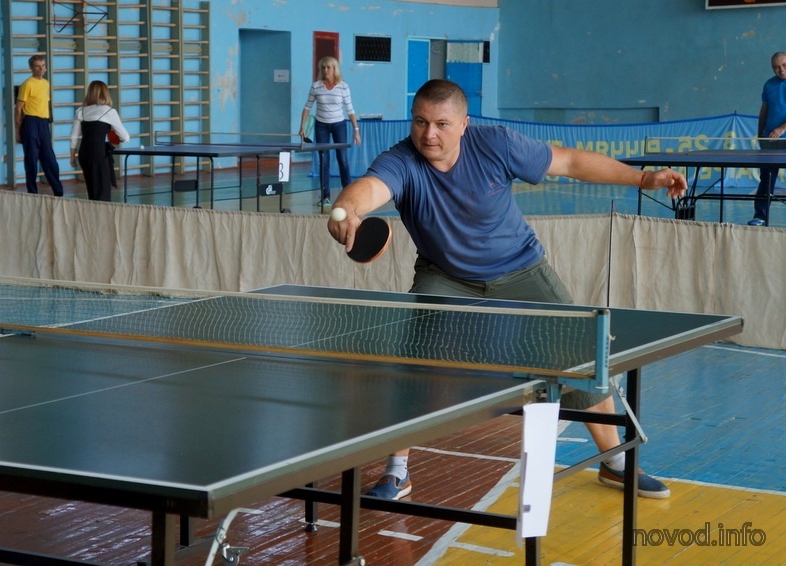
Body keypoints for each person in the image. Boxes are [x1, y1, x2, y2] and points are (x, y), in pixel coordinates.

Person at [327, 79, 688, 501]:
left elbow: (570, 162)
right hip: (447, 276)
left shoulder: (495, 144)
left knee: (580, 355)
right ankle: (397, 471)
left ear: (464, 124)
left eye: (442, 124)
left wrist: (643, 178)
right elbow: (372, 187)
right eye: (421, 122)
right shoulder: (402, 160)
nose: (429, 134)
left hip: (521, 269)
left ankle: (615, 463)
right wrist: (348, 209)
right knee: (416, 360)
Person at [299, 56, 361, 206]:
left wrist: (356, 130)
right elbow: (307, 107)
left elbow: (350, 110)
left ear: (334, 69)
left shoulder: (343, 87)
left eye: (328, 67)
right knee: (324, 161)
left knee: (342, 159)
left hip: (339, 125)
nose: (326, 70)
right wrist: (302, 126)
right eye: (323, 67)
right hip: (321, 126)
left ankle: (348, 194)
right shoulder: (316, 86)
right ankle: (325, 196)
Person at [69, 81, 130, 201]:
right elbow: (125, 137)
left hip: (84, 153)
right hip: (99, 153)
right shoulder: (109, 112)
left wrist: (72, 156)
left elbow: (73, 136)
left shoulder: (81, 111)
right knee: (102, 191)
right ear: (105, 93)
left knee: (92, 190)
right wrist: (113, 135)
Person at [14, 55, 64, 197]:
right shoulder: (27, 84)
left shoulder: (46, 83)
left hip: (43, 123)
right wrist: (18, 129)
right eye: (37, 66)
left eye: (43, 66)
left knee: (50, 159)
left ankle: (58, 192)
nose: (41, 69)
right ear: (31, 68)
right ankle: (32, 192)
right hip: (30, 122)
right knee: (31, 159)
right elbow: (18, 108)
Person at [749, 51, 786, 226]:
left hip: (781, 135)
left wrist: (782, 128)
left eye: (784, 65)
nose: (781, 69)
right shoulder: (769, 85)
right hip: (771, 140)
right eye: (776, 67)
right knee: (767, 178)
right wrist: (760, 135)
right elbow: (764, 111)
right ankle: (760, 216)